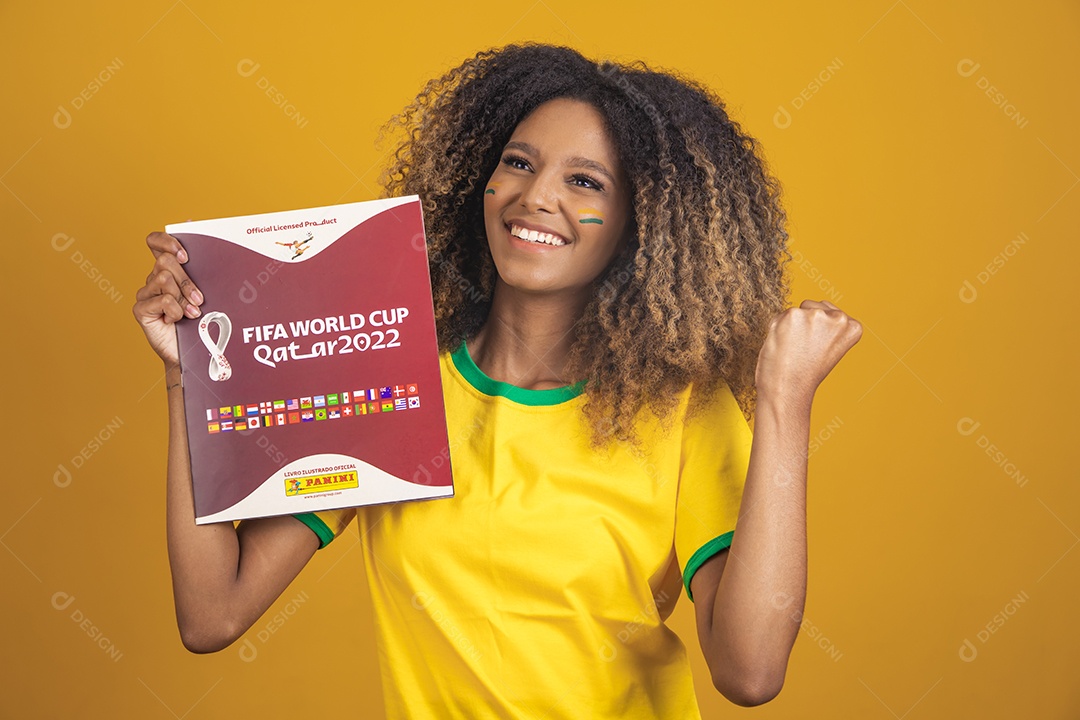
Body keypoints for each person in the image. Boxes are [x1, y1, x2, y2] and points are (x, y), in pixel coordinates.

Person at [132, 43, 861, 718]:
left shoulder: (681, 414)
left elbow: (751, 671)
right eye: (517, 162)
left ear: (641, 224)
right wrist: (185, 377)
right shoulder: (388, 384)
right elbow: (212, 614)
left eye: (584, 181)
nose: (536, 197)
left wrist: (785, 404)